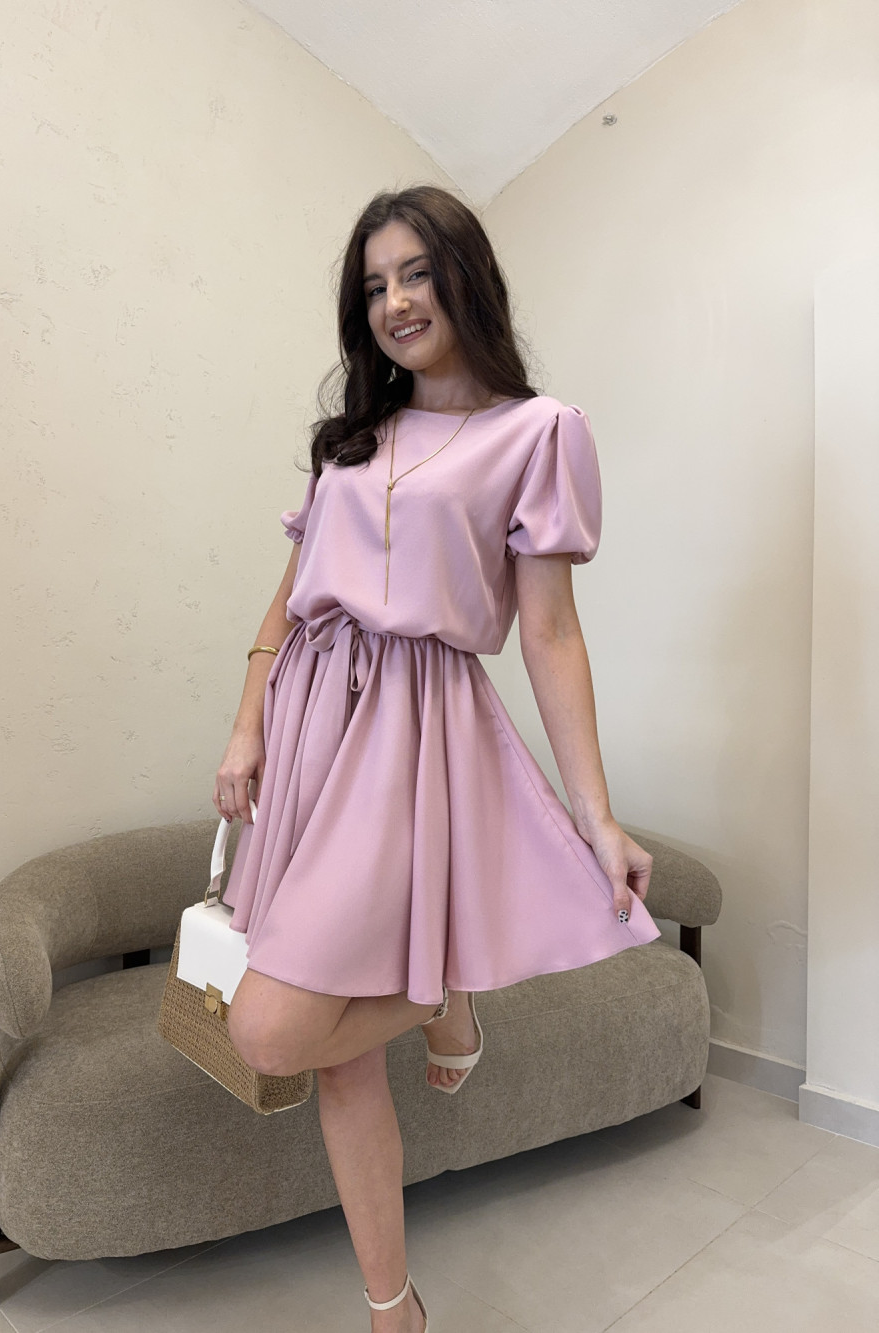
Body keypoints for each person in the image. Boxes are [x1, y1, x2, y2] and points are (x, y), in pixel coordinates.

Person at [212, 184, 662, 1333]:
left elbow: (550, 633)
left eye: (415, 272)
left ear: (466, 276)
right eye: (375, 285)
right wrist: (247, 722)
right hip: (309, 723)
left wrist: (596, 813)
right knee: (334, 1057)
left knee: (271, 1028)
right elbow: (289, 597)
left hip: (411, 739)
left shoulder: (538, 432)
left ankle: (435, 997)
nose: (396, 301)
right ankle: (393, 1308)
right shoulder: (352, 440)